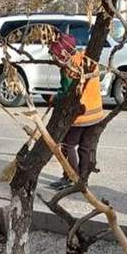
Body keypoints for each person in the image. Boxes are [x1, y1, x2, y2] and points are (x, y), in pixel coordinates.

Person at [47, 33, 104, 190]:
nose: (55, 60)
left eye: (56, 55)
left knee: (68, 145)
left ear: (64, 53)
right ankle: (82, 180)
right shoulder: (88, 59)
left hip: (80, 114)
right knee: (85, 148)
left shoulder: (69, 68)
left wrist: (54, 98)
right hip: (96, 113)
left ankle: (72, 178)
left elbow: (67, 93)